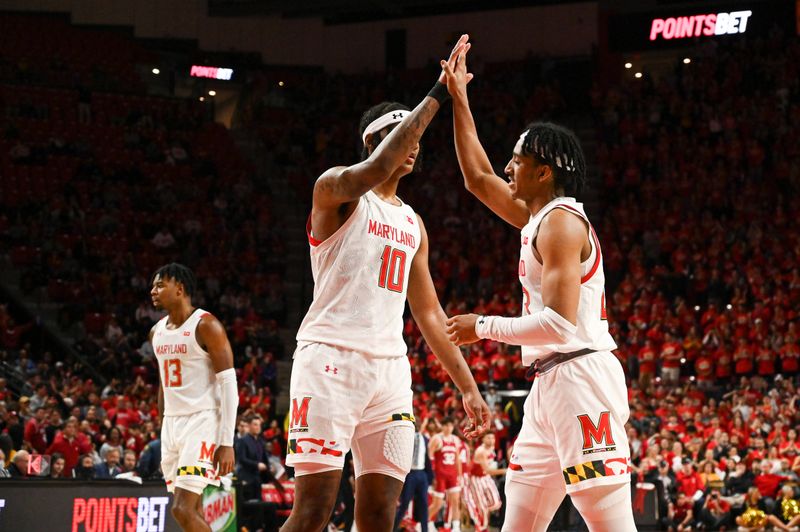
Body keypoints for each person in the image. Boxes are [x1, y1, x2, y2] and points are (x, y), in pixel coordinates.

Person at [281, 35, 490, 532]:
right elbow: (375, 168)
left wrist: (468, 386)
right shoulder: (334, 189)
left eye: (416, 136)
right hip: (329, 362)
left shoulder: (413, 222)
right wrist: (439, 93)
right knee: (311, 515)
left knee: (379, 518)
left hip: (390, 374)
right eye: (402, 134)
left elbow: (431, 316)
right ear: (372, 142)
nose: (414, 143)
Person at [441, 48, 636, 531]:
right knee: (520, 523)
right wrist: (459, 98)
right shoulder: (537, 218)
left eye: (517, 161)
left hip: (580, 378)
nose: (508, 168)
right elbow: (477, 179)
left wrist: (481, 326)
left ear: (543, 172)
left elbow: (558, 323)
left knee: (611, 526)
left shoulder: (562, 225)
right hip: (547, 385)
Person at [150, 263, 239, 531]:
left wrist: (226, 441)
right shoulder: (156, 332)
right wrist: (162, 424)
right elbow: (164, 385)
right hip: (172, 425)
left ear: (180, 288)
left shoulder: (206, 325)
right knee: (194, 510)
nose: (152, 290)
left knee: (181, 509)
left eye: (159, 284)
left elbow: (229, 385)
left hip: (202, 423)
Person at [394, 418, 432, 531]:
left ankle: (425, 529)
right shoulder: (406, 439)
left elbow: (427, 459)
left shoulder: (425, 439)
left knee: (424, 504)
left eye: (420, 424)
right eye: (417, 424)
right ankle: (393, 528)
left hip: (422, 474)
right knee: (404, 502)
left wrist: (430, 476)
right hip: (410, 474)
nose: (418, 426)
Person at [428, 417, 464, 531]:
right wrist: (431, 475)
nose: (448, 428)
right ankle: (424, 522)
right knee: (437, 503)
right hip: (440, 475)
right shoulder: (436, 438)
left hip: (452, 474)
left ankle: (456, 527)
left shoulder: (455, 439)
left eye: (450, 426)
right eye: (446, 425)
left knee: (455, 501)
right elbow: (429, 457)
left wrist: (460, 475)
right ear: (442, 426)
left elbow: (458, 458)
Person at [465, 432, 505, 532]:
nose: (491, 440)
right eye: (488, 438)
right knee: (481, 506)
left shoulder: (491, 449)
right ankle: (481, 527)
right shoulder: (481, 451)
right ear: (483, 439)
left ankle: (482, 522)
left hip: (485, 477)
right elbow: (488, 470)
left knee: (496, 503)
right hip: (475, 478)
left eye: (493, 438)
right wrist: (506, 470)